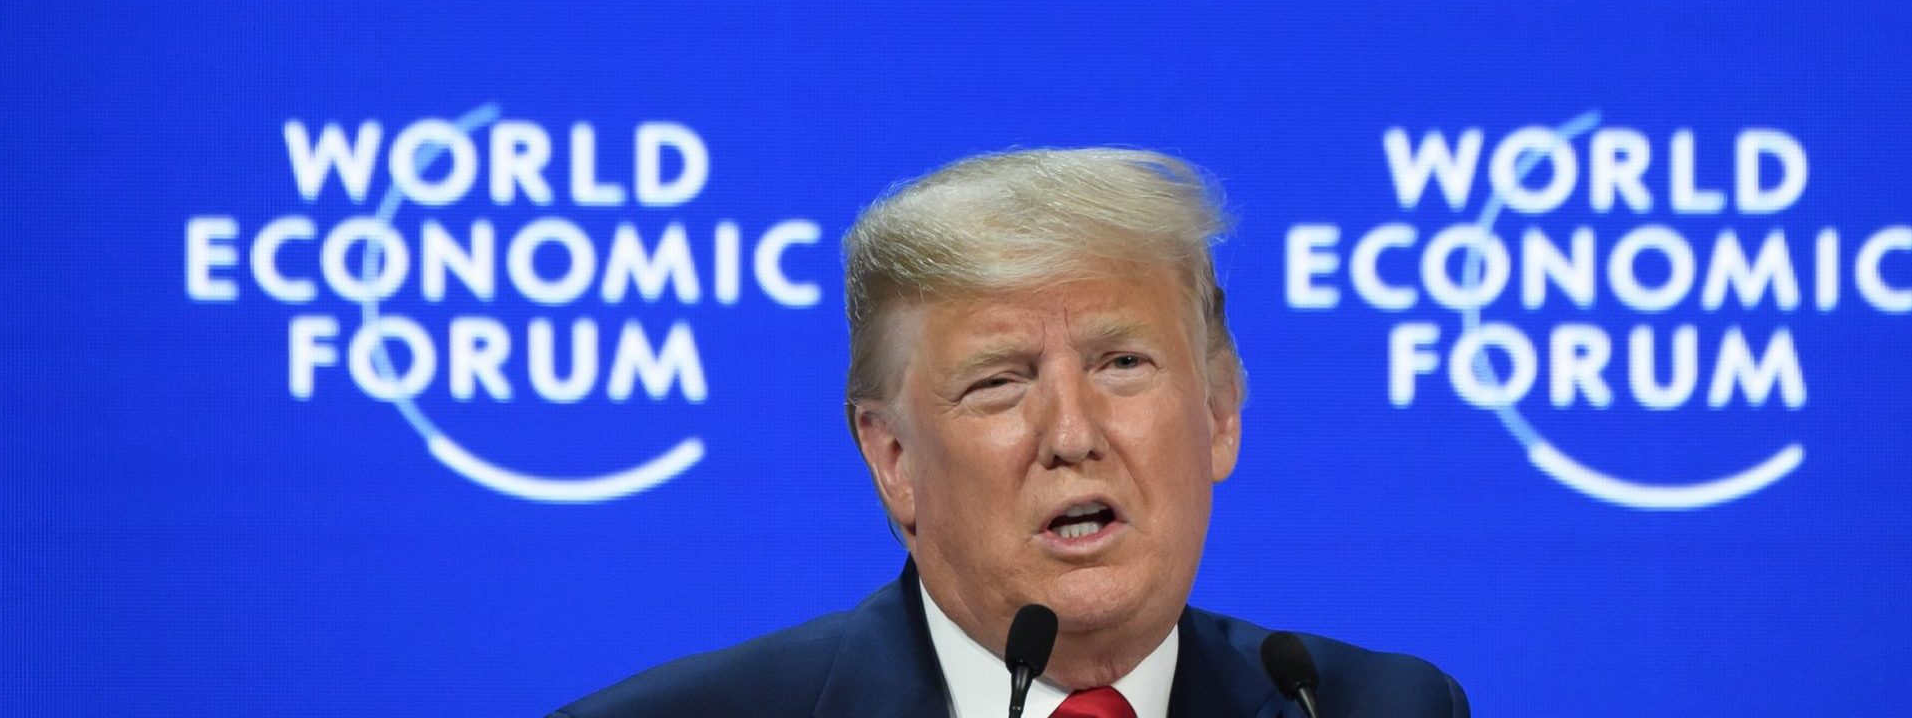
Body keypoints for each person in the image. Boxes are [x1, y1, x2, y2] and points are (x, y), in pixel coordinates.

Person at [553, 148, 1469, 718]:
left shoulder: (1367, 709)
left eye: (1123, 365)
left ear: (1221, 414)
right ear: (894, 459)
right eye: (1000, 383)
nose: (1072, 434)